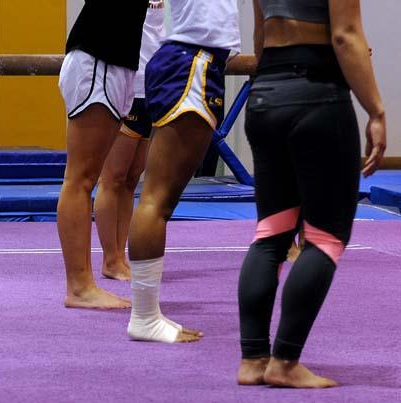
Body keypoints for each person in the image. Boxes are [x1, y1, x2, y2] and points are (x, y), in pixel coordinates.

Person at [237, 0, 386, 388]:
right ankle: (285, 360)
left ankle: (253, 358)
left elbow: (259, 35)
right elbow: (344, 34)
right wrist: (376, 111)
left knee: (271, 232)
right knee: (325, 236)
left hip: (265, 91)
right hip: (316, 94)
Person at [126, 0, 241, 342]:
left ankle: (147, 314)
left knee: (160, 200)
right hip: (191, 61)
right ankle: (144, 317)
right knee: (156, 200)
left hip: (193, 60)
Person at [57, 1, 148, 309]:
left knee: (89, 178)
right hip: (98, 59)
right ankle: (79, 286)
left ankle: (85, 283)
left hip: (120, 63)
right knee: (80, 179)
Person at [93, 1, 165, 282]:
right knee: (112, 178)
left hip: (152, 86)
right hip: (126, 83)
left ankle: (120, 256)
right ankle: (109, 259)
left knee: (132, 178)